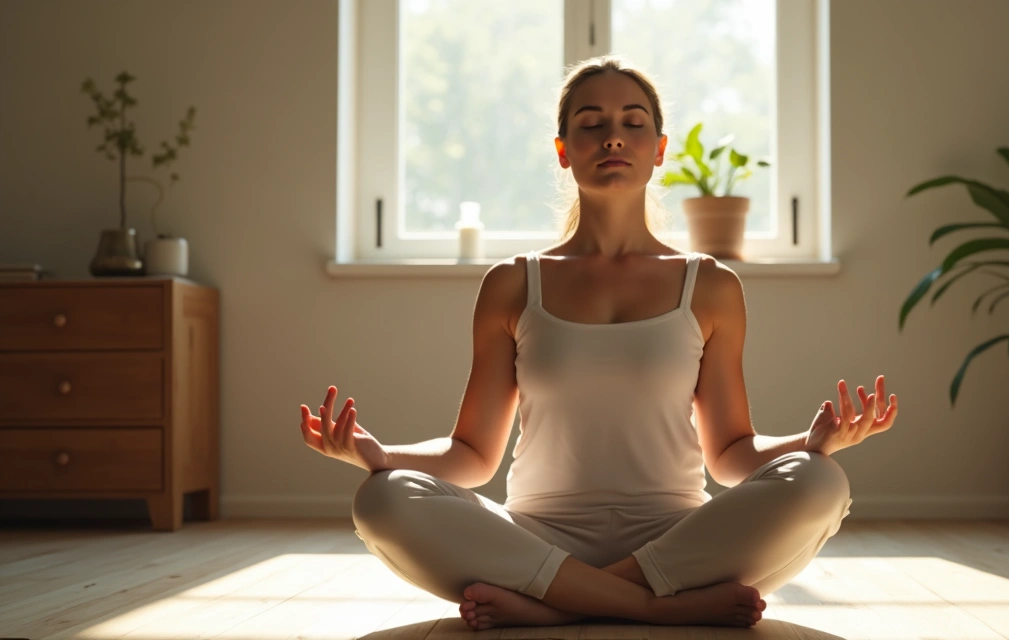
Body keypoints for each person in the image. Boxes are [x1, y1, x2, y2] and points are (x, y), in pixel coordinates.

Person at [298, 55, 899, 631]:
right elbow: (473, 456)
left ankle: (559, 605)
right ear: (563, 151)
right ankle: (654, 607)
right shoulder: (513, 284)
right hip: (537, 538)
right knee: (381, 499)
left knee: (823, 481)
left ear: (659, 149)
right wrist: (382, 456)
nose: (613, 137)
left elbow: (730, 454)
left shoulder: (711, 286)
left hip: (677, 539)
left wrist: (811, 443)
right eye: (592, 124)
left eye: (633, 123)